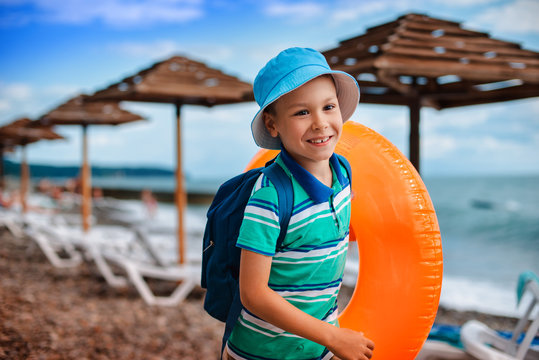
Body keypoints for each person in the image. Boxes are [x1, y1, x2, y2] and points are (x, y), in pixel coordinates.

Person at [223, 47, 374, 360]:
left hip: (317, 347)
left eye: (328, 107)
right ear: (273, 125)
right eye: (302, 112)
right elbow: (253, 294)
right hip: (263, 352)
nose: (320, 123)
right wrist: (334, 336)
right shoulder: (271, 196)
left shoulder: (342, 171)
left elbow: (331, 230)